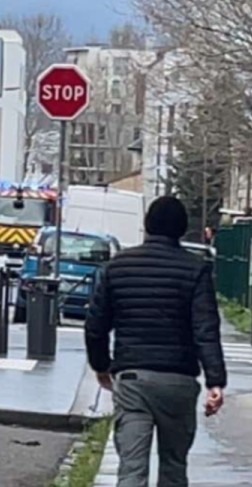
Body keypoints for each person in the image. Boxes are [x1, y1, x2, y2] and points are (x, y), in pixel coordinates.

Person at [85, 196, 226, 487]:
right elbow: (206, 330)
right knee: (174, 467)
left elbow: (96, 326)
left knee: (131, 470)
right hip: (178, 382)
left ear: (147, 225)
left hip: (133, 380)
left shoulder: (118, 266)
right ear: (182, 229)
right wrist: (215, 382)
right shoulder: (196, 269)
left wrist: (102, 366)